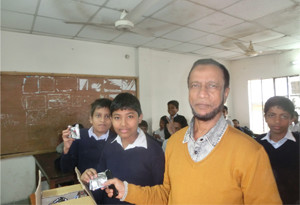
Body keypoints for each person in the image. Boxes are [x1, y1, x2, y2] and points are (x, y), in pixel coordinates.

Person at [103, 59, 281, 204]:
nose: (202, 93)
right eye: (195, 85)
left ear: (225, 93)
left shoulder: (250, 152)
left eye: (212, 85)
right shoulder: (174, 143)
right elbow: (166, 195)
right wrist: (127, 190)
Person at [81, 92, 165, 204]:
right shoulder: (109, 145)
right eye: (117, 117)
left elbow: (160, 195)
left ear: (140, 117)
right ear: (111, 119)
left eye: (130, 116)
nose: (123, 124)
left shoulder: (154, 151)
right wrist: (89, 180)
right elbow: (101, 184)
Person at [256, 96, 299, 204]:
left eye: (284, 116)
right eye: (272, 115)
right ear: (265, 117)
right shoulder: (255, 144)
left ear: (291, 119)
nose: (277, 121)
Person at [60, 98, 116, 174]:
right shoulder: (79, 135)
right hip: (82, 183)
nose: (102, 120)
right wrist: (66, 149)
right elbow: (66, 169)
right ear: (91, 119)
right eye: (98, 115)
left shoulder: (117, 140)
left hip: (107, 184)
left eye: (107, 116)